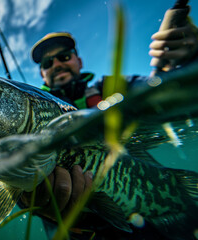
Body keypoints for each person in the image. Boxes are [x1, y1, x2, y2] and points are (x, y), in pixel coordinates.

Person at [19, 20, 198, 240]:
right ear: (42, 74)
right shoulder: (30, 108)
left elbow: (169, 91)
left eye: (64, 56)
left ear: (79, 60)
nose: (56, 64)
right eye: (47, 63)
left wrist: (185, 63)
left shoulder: (113, 88)